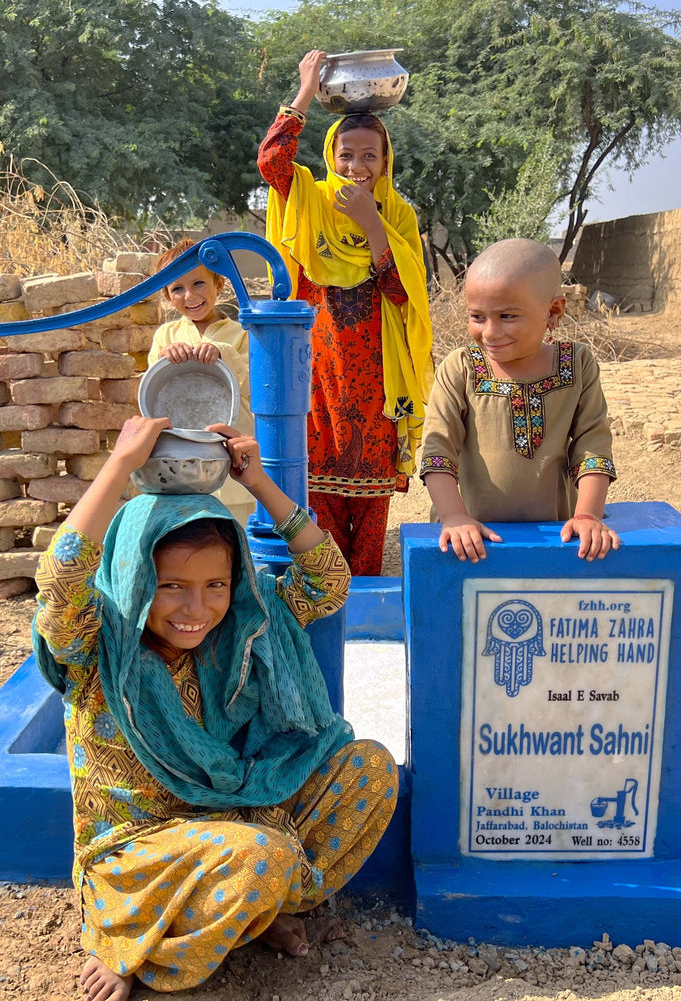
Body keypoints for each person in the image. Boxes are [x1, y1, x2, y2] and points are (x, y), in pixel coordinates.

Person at [32, 415, 397, 1001]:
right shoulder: (98, 646)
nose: (195, 609)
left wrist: (259, 484)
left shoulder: (244, 632)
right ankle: (135, 946)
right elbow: (62, 576)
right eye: (171, 586)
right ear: (133, 578)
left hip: (240, 823)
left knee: (369, 768)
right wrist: (121, 465)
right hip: (141, 852)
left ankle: (256, 912)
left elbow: (327, 580)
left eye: (216, 585)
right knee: (263, 857)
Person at [258, 49, 434, 576]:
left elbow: (404, 295)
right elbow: (272, 161)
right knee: (321, 530)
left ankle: (364, 630)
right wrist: (307, 87)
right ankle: (327, 620)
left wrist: (370, 221)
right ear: (332, 156)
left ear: (386, 162)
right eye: (347, 156)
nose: (357, 168)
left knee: (370, 535)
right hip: (316, 380)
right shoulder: (307, 199)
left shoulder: (398, 213)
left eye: (370, 157)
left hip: (380, 387)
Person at [420, 238, 620, 563]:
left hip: (556, 539)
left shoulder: (577, 364)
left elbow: (592, 444)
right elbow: (437, 449)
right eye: (477, 316)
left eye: (508, 316)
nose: (490, 332)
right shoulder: (461, 367)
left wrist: (587, 516)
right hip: (471, 542)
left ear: (553, 310)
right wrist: (454, 518)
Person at [148, 239, 256, 527]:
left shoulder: (243, 334)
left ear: (218, 284)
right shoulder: (166, 336)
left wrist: (223, 353)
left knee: (237, 533)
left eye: (198, 283)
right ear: (167, 296)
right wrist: (164, 359)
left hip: (233, 463)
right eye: (177, 289)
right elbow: (151, 394)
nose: (189, 295)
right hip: (179, 467)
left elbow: (253, 389)